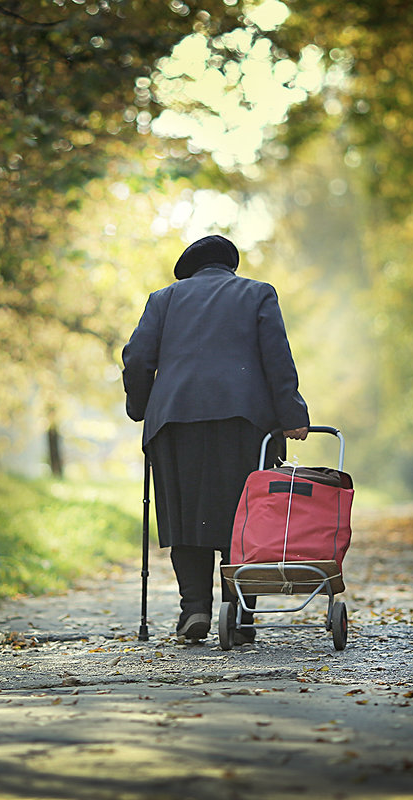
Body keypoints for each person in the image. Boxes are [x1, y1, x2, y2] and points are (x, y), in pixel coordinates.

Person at [122, 234, 309, 645]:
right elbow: (277, 358)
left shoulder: (164, 299)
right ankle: (239, 617)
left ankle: (195, 610)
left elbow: (137, 358)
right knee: (243, 518)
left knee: (184, 514)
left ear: (189, 270)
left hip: (174, 422)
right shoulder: (258, 294)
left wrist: (142, 406)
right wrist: (293, 417)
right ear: (230, 267)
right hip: (244, 422)